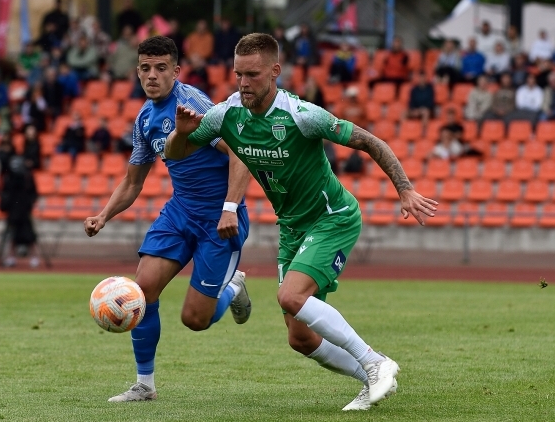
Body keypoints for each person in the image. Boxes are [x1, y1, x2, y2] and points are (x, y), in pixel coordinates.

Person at [164, 33, 438, 411]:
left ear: (275, 71)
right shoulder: (226, 115)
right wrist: (180, 133)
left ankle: (375, 362)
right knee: (300, 338)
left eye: (253, 74)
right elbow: (176, 154)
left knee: (291, 296)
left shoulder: (301, 115)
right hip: (292, 228)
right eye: (238, 74)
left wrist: (405, 190)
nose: (243, 83)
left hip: (332, 218)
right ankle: (371, 379)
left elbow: (370, 142)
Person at [83, 36, 253, 402]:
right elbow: (133, 182)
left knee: (195, 319)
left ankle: (234, 287)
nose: (152, 75)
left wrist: (230, 207)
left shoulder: (193, 105)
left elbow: (240, 153)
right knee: (142, 292)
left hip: (218, 218)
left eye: (160, 68)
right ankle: (145, 385)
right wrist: (103, 215)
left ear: (175, 71)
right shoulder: (145, 118)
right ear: (137, 72)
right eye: (145, 68)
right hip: (180, 212)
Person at [0, 156, 41, 268]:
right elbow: (4, 193)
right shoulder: (8, 178)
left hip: (24, 210)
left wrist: (29, 204)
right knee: (12, 235)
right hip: (13, 210)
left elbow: (34, 193)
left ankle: (34, 257)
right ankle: (11, 257)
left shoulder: (28, 176)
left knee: (29, 235)